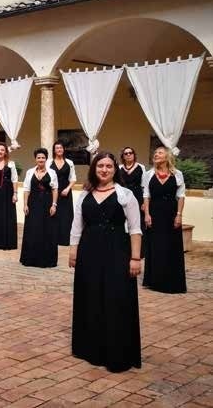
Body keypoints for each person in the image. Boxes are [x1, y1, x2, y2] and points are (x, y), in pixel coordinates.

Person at [69, 151, 142, 372]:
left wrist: (135, 258)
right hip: (89, 252)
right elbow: (77, 225)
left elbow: (135, 229)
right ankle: (90, 348)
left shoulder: (126, 195)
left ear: (115, 169)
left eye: (109, 166)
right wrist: (73, 251)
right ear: (94, 168)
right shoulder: (85, 194)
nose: (104, 170)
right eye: (100, 165)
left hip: (117, 252)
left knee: (115, 298)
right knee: (90, 296)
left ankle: (116, 351)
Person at [142, 146, 186, 293]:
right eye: (155, 153)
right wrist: (147, 214)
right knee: (156, 246)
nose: (156, 154)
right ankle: (155, 281)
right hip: (154, 213)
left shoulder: (177, 174)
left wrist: (179, 214)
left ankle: (172, 281)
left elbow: (181, 196)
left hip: (171, 213)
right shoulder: (148, 174)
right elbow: (146, 196)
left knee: (171, 246)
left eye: (159, 153)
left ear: (167, 156)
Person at [20, 148, 59, 268]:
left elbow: (55, 189)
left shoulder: (52, 172)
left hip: (47, 205)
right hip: (33, 204)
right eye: (38, 157)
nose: (41, 159)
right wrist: (25, 204)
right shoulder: (30, 172)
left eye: (43, 157)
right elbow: (26, 189)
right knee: (32, 230)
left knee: (47, 230)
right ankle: (30, 258)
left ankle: (46, 259)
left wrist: (54, 205)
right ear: (35, 159)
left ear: (46, 159)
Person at [117, 146, 146, 254]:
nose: (128, 155)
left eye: (130, 153)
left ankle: (139, 250)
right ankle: (124, 247)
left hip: (137, 197)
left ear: (134, 155)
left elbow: (145, 185)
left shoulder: (141, 167)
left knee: (137, 221)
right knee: (122, 219)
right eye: (126, 153)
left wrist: (144, 202)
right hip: (123, 196)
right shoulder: (119, 168)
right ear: (123, 156)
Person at [49, 141, 76, 246]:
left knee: (66, 216)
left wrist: (68, 189)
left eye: (60, 148)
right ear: (54, 150)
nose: (59, 150)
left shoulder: (69, 162)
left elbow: (73, 178)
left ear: (63, 149)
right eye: (57, 148)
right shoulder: (49, 162)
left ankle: (65, 239)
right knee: (53, 214)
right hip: (52, 192)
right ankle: (53, 238)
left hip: (66, 192)